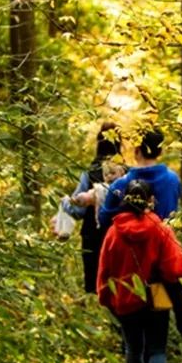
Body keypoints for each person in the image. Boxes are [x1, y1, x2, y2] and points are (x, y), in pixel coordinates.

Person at [96, 180, 182, 363]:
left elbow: (105, 270)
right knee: (157, 348)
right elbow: (175, 269)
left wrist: (105, 298)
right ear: (151, 200)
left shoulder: (113, 233)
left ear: (125, 200)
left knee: (133, 349)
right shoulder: (161, 229)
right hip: (157, 292)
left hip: (125, 295)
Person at [59, 122, 122, 294]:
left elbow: (77, 210)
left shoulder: (90, 173)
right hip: (121, 236)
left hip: (93, 238)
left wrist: (65, 202)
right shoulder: (128, 173)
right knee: (121, 286)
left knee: (98, 287)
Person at [98, 127, 180, 228]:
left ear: (137, 150)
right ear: (160, 151)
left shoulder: (119, 185)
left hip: (128, 237)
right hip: (164, 237)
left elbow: (104, 220)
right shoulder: (172, 180)